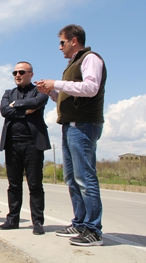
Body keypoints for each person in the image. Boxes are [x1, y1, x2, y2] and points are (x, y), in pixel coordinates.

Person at [36, 24, 106, 246]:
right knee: (72, 179)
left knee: (85, 179)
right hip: (70, 126)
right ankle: (80, 223)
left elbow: (91, 88)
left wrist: (56, 83)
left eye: (62, 42)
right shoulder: (72, 65)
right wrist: (52, 92)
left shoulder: (90, 59)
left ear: (74, 40)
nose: (60, 48)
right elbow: (69, 96)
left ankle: (93, 230)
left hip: (84, 125)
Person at [0, 61, 51, 235]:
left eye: (21, 72)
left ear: (31, 74)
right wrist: (25, 109)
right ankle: (13, 219)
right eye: (14, 73)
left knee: (35, 184)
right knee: (14, 185)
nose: (17, 75)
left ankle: (37, 222)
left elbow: (39, 101)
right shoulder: (8, 93)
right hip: (12, 144)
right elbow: (4, 111)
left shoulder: (39, 91)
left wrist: (17, 106)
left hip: (33, 144)